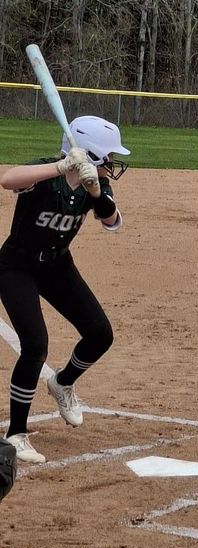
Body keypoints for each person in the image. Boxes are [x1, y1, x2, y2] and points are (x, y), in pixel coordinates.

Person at [0, 116, 129, 465]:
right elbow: (7, 179)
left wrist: (94, 190)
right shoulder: (46, 174)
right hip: (17, 266)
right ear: (90, 153)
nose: (112, 165)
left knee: (100, 333)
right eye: (109, 157)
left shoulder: (95, 182)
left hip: (57, 265)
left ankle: (63, 383)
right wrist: (61, 167)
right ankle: (16, 434)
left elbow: (113, 222)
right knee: (36, 344)